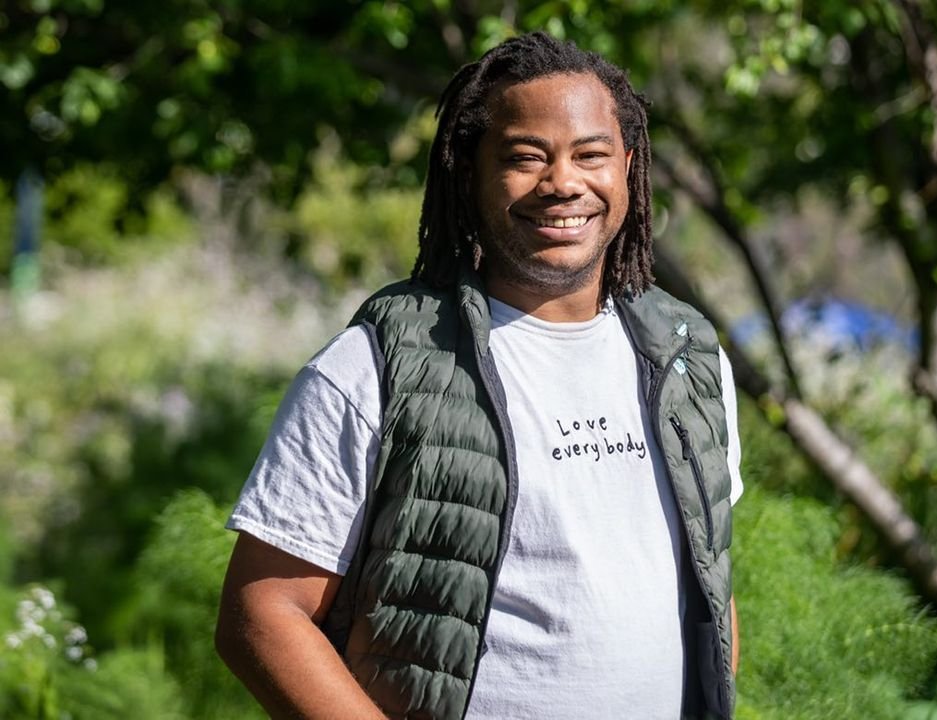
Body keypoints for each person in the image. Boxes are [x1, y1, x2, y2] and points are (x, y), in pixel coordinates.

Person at [216, 31, 743, 720]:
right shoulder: (378, 364)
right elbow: (263, 613)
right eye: (526, 157)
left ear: (628, 167)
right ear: (468, 172)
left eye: (591, 155)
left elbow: (710, 588)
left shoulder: (687, 354)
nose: (563, 183)